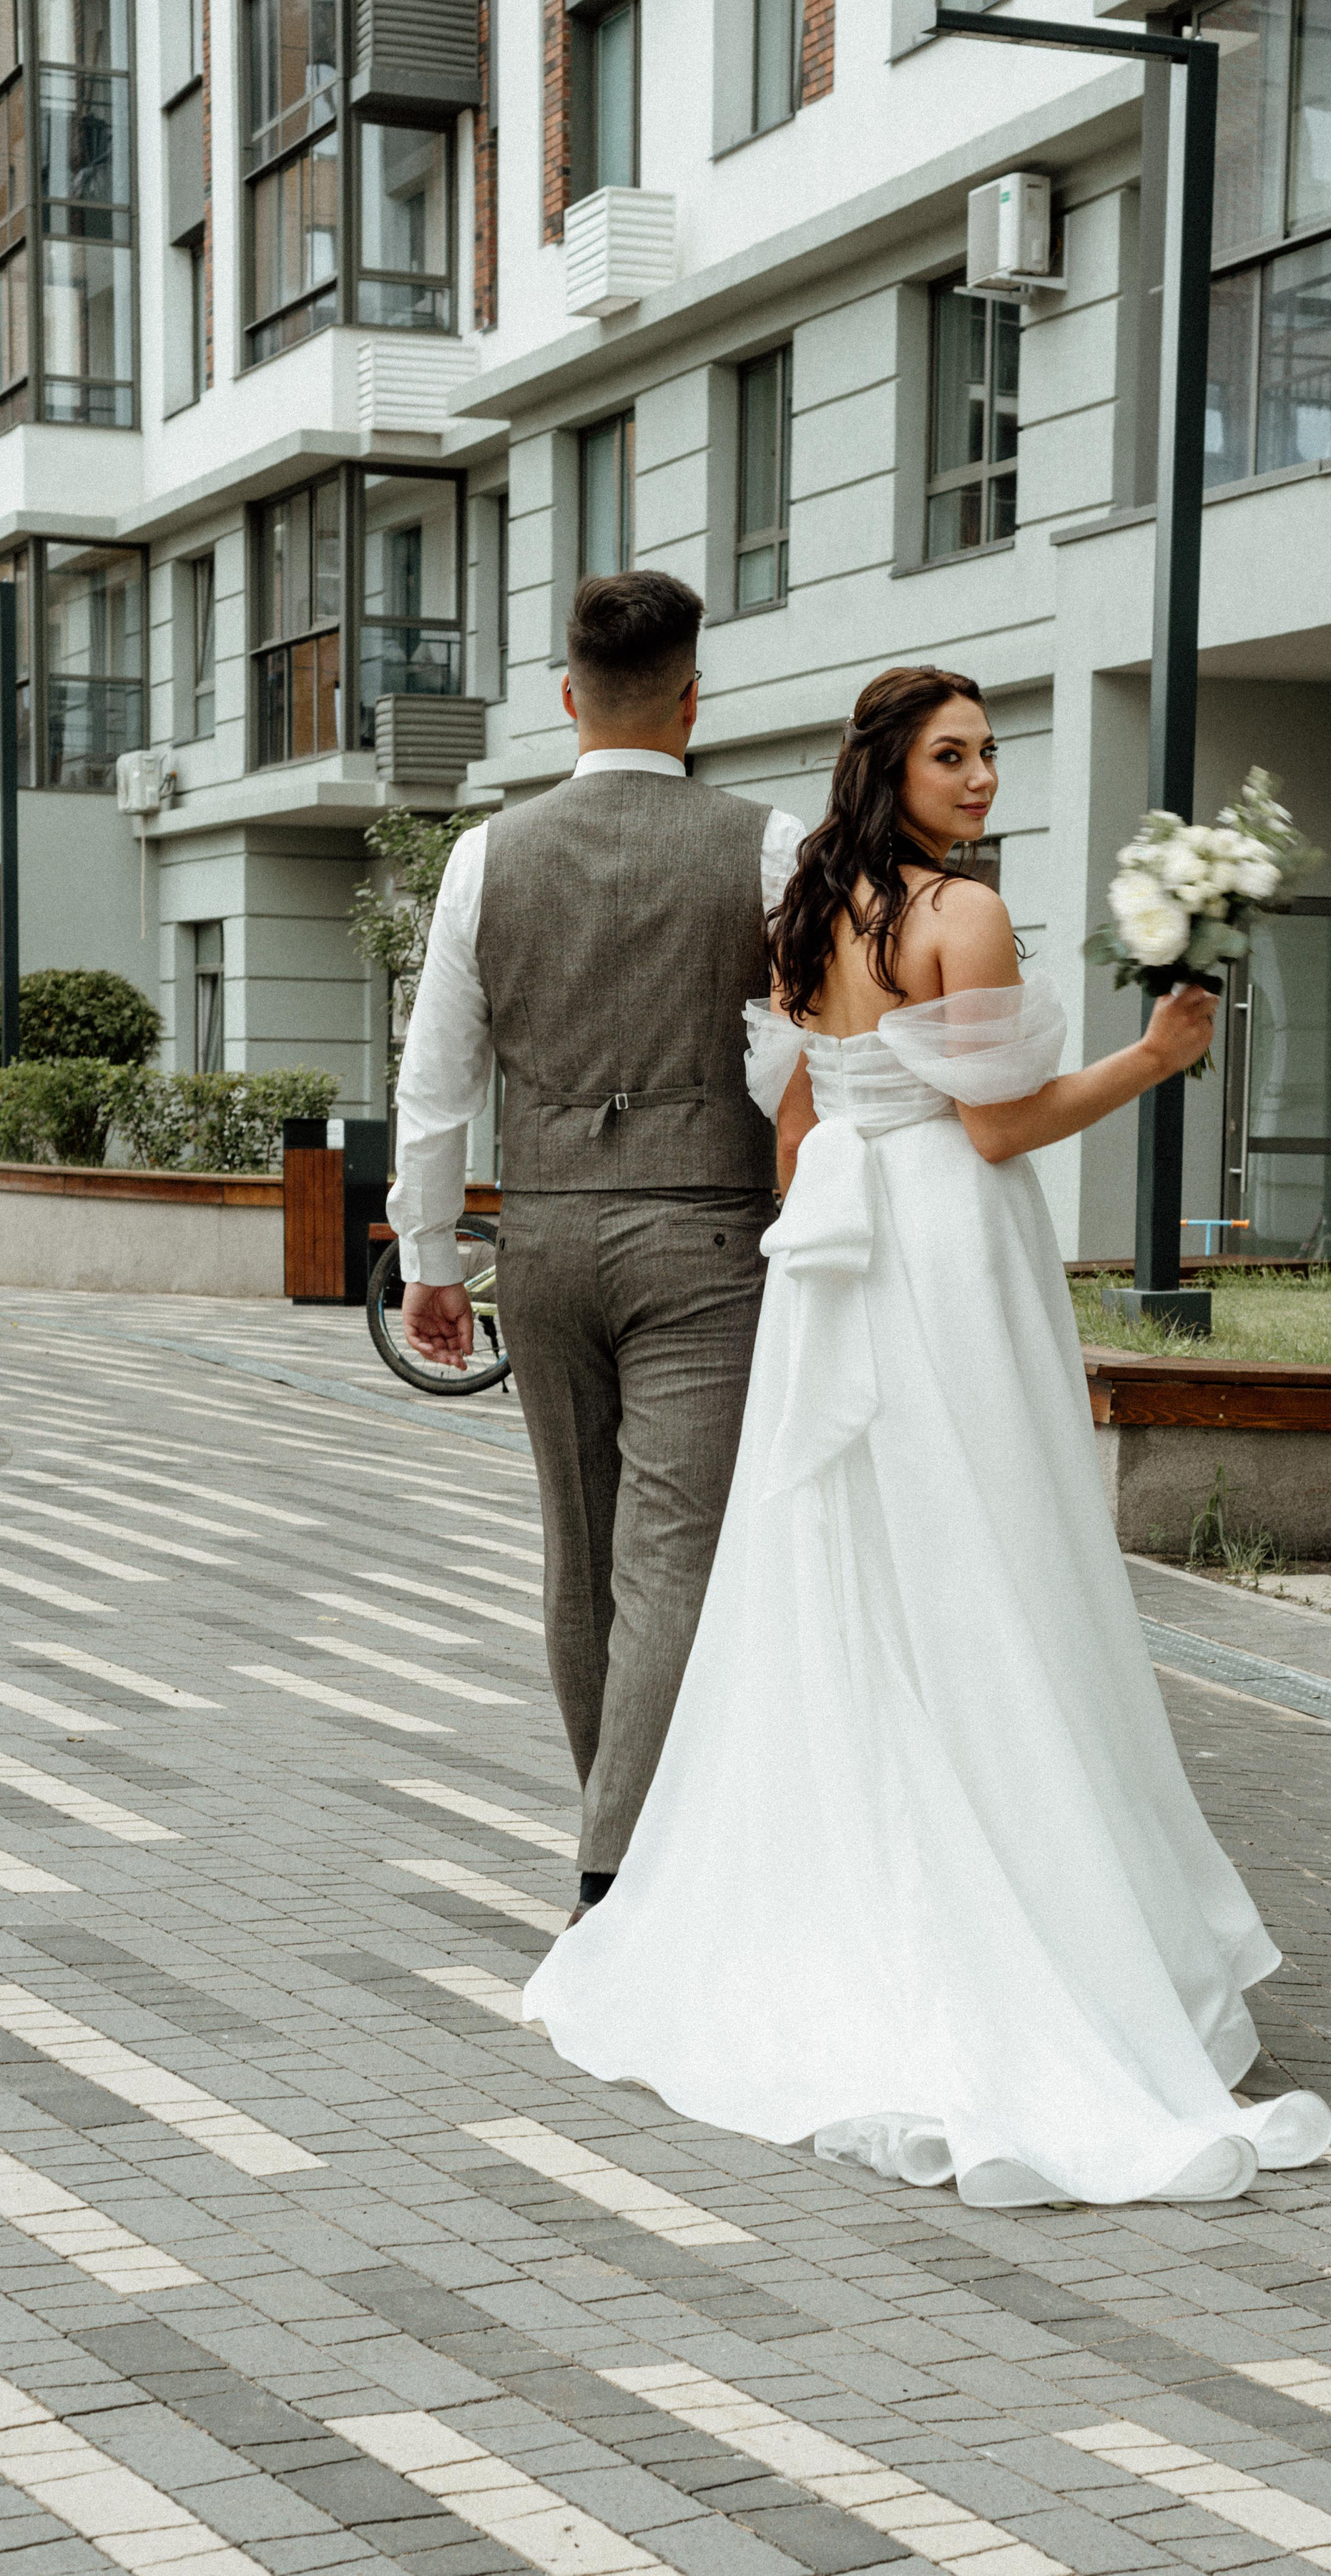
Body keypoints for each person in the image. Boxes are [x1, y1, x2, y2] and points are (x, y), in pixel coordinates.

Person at [525, 663, 1331, 2207]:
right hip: (947, 1254)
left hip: (841, 1257)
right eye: (949, 755)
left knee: (852, 1568)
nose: (978, 778)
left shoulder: (815, 914)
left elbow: (799, 1124)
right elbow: (996, 1126)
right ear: (887, 766)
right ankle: (1013, 1907)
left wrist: (816, 1256)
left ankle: (831, 1899)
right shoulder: (960, 914)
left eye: (986, 754)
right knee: (993, 1554)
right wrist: (1154, 1062)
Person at [387, 570, 805, 1926]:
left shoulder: (485, 856)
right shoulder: (767, 845)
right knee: (672, 1550)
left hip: (549, 1235)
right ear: (695, 696)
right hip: (709, 1234)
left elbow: (435, 1079)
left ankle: (614, 1845)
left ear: (568, 697)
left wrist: (433, 1254)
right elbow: (802, 1063)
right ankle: (619, 1870)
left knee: (581, 1548)